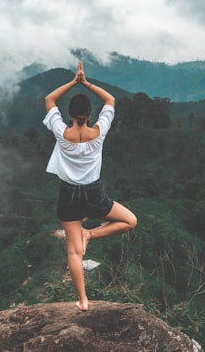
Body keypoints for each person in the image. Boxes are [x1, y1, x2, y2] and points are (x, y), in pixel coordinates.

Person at [43, 61, 137, 311]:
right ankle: (92, 234)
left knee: (74, 252)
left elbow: (49, 100)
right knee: (130, 221)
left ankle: (83, 301)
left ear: (71, 115)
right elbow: (111, 100)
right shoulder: (99, 131)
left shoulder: (62, 133)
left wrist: (73, 82)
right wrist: (87, 83)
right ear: (89, 114)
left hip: (68, 195)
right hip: (94, 194)